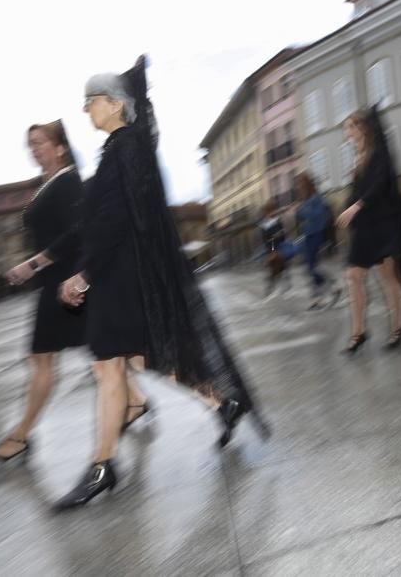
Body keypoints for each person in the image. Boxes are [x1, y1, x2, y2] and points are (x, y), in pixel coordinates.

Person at [53, 56, 268, 511]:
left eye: (90, 101)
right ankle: (220, 404)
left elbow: (117, 220)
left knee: (109, 368)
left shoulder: (125, 148)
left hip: (118, 278)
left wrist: (84, 273)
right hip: (121, 276)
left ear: (115, 104)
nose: (86, 110)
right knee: (136, 357)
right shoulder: (121, 148)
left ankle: (102, 468)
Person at [0, 122, 104, 462]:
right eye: (29, 144)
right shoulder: (47, 183)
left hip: (66, 282)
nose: (34, 149)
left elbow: (77, 233)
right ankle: (137, 401)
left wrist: (32, 265)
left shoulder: (67, 181)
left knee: (50, 359)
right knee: (111, 357)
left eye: (40, 142)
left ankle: (20, 436)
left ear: (60, 147)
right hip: (56, 283)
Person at [335, 106, 401, 354]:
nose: (347, 131)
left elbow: (379, 185)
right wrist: (348, 208)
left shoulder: (379, 153)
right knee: (353, 276)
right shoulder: (358, 156)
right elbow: (359, 189)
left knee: (388, 278)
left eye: (350, 126)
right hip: (364, 228)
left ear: (363, 128)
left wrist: (356, 207)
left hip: (382, 224)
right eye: (346, 127)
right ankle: (358, 332)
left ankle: (397, 326)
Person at [294, 172, 340, 310]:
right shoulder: (305, 200)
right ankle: (317, 298)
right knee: (310, 267)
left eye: (300, 184)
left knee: (310, 267)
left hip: (316, 235)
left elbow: (319, 216)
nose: (298, 187)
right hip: (307, 236)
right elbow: (301, 217)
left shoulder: (316, 199)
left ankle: (332, 285)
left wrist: (302, 211)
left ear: (306, 184)